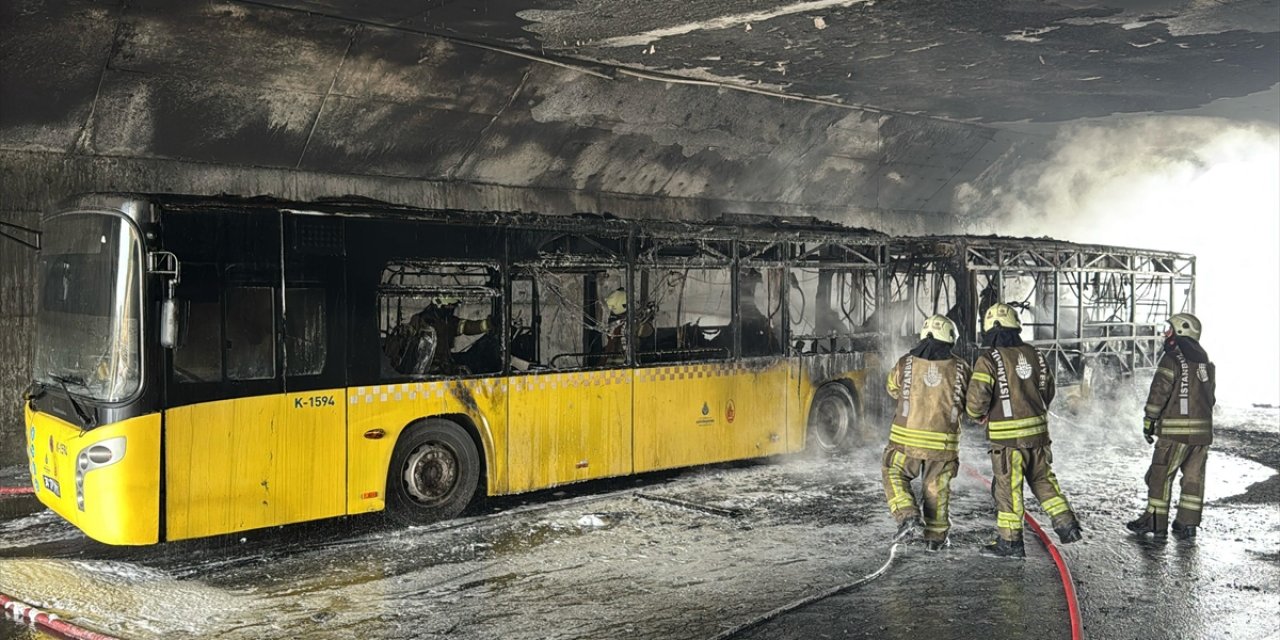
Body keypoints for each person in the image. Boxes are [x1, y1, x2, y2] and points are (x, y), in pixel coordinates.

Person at [966, 302, 1083, 558]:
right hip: (1039, 436)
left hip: (1008, 441)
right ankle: (1067, 526)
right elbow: (1048, 392)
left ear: (991, 329)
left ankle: (1010, 543)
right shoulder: (1036, 355)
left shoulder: (989, 360)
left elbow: (975, 402)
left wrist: (979, 416)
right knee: (1043, 480)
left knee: (1008, 489)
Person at [882, 315, 972, 550]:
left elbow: (892, 388)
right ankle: (936, 540)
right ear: (950, 339)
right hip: (943, 444)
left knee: (893, 472)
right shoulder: (962, 367)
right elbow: (971, 404)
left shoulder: (905, 363)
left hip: (905, 441)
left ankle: (908, 517)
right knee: (936, 488)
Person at [1126, 313, 1216, 541]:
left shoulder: (1172, 360)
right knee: (1193, 480)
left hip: (1175, 434)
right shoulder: (1206, 363)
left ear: (1181, 333)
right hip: (1202, 435)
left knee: (1159, 476)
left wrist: (1149, 421)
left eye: (1170, 330)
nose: (1166, 334)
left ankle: (1154, 523)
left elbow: (1159, 393)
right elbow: (1210, 399)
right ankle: (1187, 524)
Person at [384, 295, 492, 375]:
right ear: (441, 305)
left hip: (442, 365)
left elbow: (466, 326)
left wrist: (487, 324)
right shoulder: (421, 321)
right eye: (450, 306)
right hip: (431, 371)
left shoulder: (445, 321)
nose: (452, 309)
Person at [601, 288, 654, 365]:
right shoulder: (620, 321)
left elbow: (646, 331)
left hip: (618, 361)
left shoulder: (625, 320)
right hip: (619, 361)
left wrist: (643, 319)